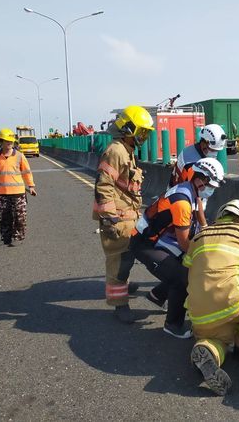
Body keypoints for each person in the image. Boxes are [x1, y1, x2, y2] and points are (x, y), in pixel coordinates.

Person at [130, 157, 225, 338]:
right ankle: (173, 325)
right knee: (182, 277)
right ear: (202, 179)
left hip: (158, 239)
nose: (212, 189)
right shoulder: (182, 201)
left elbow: (200, 215)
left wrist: (206, 231)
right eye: (212, 185)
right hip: (144, 243)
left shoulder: (193, 191)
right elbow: (184, 243)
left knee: (182, 265)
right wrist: (202, 260)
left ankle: (157, 295)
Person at [185, 199, 239, 395]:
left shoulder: (200, 235)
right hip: (231, 301)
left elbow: (189, 268)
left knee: (216, 338)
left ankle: (208, 350)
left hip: (197, 311)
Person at [93, 106, 154, 324]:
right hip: (117, 218)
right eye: (142, 132)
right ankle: (119, 305)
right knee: (118, 262)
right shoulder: (116, 151)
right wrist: (110, 218)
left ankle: (124, 286)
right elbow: (104, 186)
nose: (144, 137)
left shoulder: (126, 150)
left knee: (128, 256)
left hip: (127, 216)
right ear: (128, 129)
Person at [0, 128, 37, 247]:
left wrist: (31, 186)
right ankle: (5, 238)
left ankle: (17, 237)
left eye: (11, 141)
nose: (10, 143)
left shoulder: (19, 156)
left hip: (18, 193)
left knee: (20, 217)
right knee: (4, 217)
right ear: (1, 141)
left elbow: (27, 172)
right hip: (3, 193)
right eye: (7, 141)